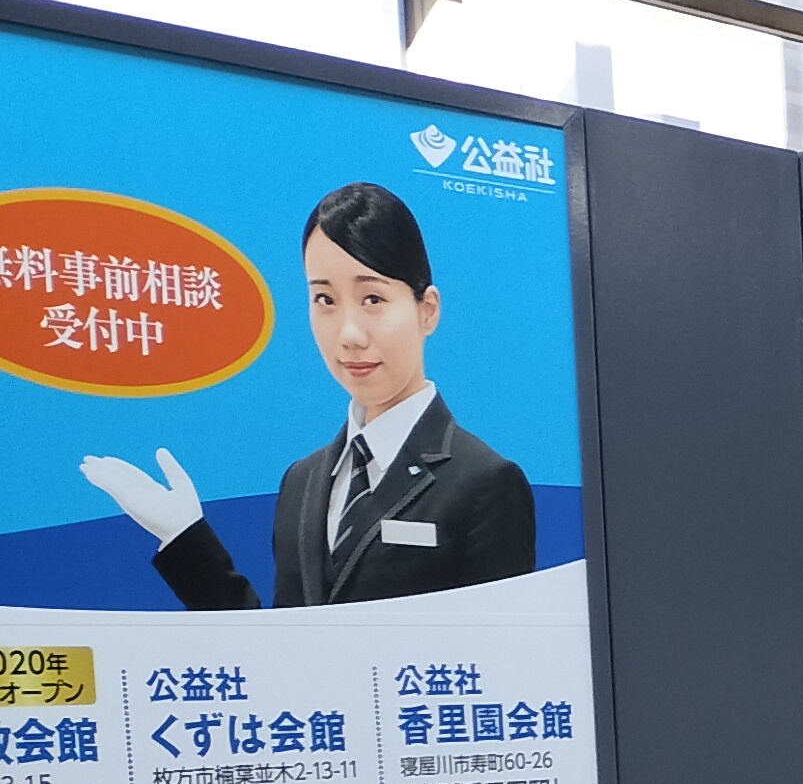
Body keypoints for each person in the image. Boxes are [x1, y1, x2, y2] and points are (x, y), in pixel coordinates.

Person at [82, 182, 536, 610]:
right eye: (325, 300)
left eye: (373, 299)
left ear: (427, 310)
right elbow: (282, 654)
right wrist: (185, 537)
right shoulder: (302, 483)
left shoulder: (485, 484)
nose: (350, 335)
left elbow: (505, 664)